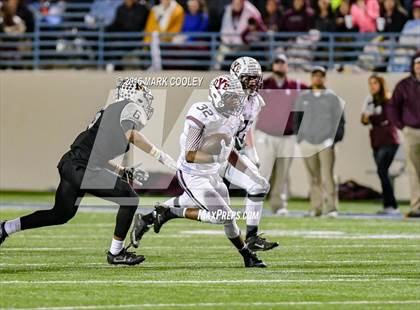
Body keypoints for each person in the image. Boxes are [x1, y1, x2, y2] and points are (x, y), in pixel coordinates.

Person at [0, 78, 178, 265]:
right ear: (134, 95)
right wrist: (160, 155)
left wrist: (120, 169)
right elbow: (131, 135)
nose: (146, 103)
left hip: (73, 164)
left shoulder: (111, 113)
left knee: (61, 214)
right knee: (129, 197)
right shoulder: (126, 107)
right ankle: (115, 252)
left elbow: (95, 149)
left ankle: (5, 228)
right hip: (81, 167)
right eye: (144, 97)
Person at [130, 74, 268, 267]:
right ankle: (170, 213)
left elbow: (229, 151)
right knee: (224, 216)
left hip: (213, 173)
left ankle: (247, 257)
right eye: (231, 96)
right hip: (192, 174)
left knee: (228, 220)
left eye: (237, 96)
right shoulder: (201, 113)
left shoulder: (234, 116)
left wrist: (247, 172)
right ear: (218, 96)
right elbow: (190, 155)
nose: (237, 101)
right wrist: (216, 156)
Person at [255, 53, 308, 215]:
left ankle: (279, 205)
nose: (279, 65)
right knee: (263, 171)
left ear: (287, 66)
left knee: (283, 172)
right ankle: (255, 204)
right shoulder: (263, 84)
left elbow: (316, 92)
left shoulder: (295, 85)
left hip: (288, 135)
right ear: (272, 66)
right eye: (277, 63)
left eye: (282, 63)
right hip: (266, 134)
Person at [294, 67, 345, 217]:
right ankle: (316, 208)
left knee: (328, 176)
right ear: (311, 77)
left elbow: (340, 121)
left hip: (325, 142)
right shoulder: (303, 97)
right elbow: (296, 119)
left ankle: (331, 208)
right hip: (308, 142)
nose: (317, 78)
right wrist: (300, 138)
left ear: (324, 78)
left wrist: (334, 139)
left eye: (320, 76)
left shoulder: (332, 97)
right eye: (315, 75)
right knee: (313, 177)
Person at [361, 75, 400, 215]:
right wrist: (371, 119)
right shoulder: (369, 100)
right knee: (383, 173)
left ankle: (392, 205)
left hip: (389, 140)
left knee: (382, 171)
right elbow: (363, 119)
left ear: (381, 84)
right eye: (370, 83)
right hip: (376, 141)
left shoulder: (388, 99)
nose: (372, 86)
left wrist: (371, 118)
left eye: (375, 83)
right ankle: (388, 205)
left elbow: (386, 118)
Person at [387, 53, 420, 218]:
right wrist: (401, 125)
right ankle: (416, 207)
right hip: (411, 131)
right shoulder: (404, 85)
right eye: (417, 64)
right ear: (413, 66)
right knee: (413, 170)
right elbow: (392, 107)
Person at [215, 0, 262, 69]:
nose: (236, 4)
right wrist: (228, 42)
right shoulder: (228, 10)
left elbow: (257, 30)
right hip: (228, 44)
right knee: (220, 54)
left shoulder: (251, 11)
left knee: (233, 56)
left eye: (238, 3)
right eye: (235, 2)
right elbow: (224, 29)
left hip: (245, 44)